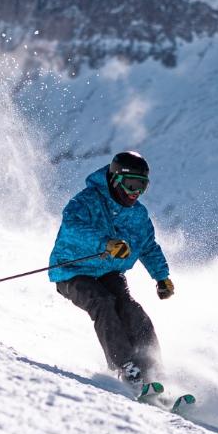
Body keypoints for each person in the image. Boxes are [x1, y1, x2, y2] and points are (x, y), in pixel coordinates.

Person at [49, 150, 175, 385]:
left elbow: (148, 246)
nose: (135, 192)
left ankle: (154, 371)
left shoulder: (137, 214)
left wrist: (162, 277)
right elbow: (72, 227)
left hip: (108, 271)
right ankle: (127, 367)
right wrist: (105, 243)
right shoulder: (86, 201)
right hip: (73, 270)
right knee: (102, 302)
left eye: (142, 186)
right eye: (131, 184)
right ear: (116, 179)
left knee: (131, 309)